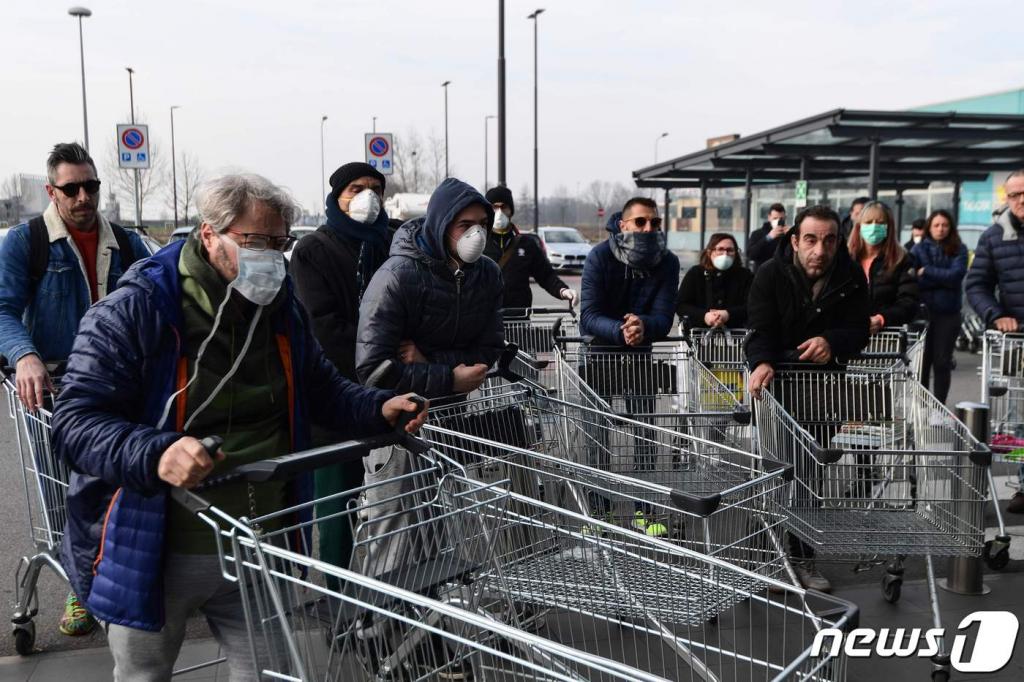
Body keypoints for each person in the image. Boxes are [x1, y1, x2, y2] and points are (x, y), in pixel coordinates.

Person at [50, 173, 426, 679]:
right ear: (209, 234)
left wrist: (377, 407)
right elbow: (74, 424)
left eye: (280, 242)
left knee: (272, 672)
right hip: (155, 546)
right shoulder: (136, 308)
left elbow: (322, 389)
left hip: (260, 543)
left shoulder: (280, 310)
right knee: (144, 671)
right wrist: (156, 452)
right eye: (256, 241)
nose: (272, 256)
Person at [0, 142, 145, 638]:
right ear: (52, 191)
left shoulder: (126, 244)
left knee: (128, 485)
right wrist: (25, 355)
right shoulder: (28, 243)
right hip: (56, 390)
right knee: (67, 492)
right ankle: (80, 591)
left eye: (91, 186)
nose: (84, 197)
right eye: (72, 188)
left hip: (119, 384)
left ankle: (123, 578)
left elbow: (157, 298)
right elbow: (1, 308)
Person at [745, 205, 871, 592]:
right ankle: (766, 559)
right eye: (812, 240)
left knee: (809, 473)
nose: (821, 249)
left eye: (829, 240)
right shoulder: (770, 273)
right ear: (796, 241)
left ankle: (803, 557)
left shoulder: (849, 276)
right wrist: (762, 361)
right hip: (778, 386)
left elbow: (858, 331)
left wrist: (831, 342)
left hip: (822, 390)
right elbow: (759, 327)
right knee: (775, 471)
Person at [289, 162, 394, 582]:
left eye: (374, 189)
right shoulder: (314, 249)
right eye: (356, 189)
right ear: (336, 196)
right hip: (335, 393)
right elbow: (323, 326)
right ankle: (338, 592)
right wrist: (385, 349)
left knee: (399, 500)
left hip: (389, 390)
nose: (367, 197)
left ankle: (392, 588)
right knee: (337, 501)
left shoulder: (389, 244)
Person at [966, 169, 1024, 513]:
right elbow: (976, 285)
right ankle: (1023, 481)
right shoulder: (994, 237)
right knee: (1018, 420)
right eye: (1014, 195)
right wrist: (995, 314)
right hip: (1018, 343)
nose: (1020, 201)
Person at [483, 185, 576, 309]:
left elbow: (546, 275)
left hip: (519, 318)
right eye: (494, 207)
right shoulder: (479, 243)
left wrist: (563, 290)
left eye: (504, 207)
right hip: (486, 319)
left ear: (511, 211)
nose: (499, 212)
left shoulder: (527, 244)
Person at [913, 209, 967, 404]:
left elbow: (956, 277)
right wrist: (941, 278)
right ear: (929, 227)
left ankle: (939, 407)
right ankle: (922, 405)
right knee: (922, 363)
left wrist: (927, 271)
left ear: (951, 227)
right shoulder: (918, 250)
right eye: (936, 225)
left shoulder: (959, 249)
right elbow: (913, 280)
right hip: (924, 313)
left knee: (942, 362)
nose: (941, 229)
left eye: (945, 225)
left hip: (949, 314)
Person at [847, 200, 919, 333]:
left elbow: (909, 301)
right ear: (859, 227)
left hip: (886, 339)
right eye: (868, 222)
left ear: (888, 227)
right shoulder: (846, 259)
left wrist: (882, 318)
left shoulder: (901, 260)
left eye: (880, 223)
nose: (874, 227)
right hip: (849, 336)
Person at [676, 233, 753, 329]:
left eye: (730, 250)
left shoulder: (745, 275)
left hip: (737, 334)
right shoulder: (696, 273)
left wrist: (728, 314)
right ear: (709, 252)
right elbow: (681, 305)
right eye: (720, 249)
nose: (725, 254)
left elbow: (752, 305)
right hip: (699, 334)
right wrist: (704, 316)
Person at [745, 203, 787, 269]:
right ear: (769, 217)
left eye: (781, 219)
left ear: (785, 218)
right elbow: (751, 255)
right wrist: (768, 238)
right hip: (762, 273)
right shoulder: (757, 234)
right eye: (775, 218)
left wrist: (789, 236)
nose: (778, 221)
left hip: (782, 273)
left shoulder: (787, 234)